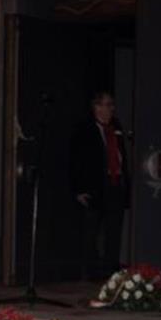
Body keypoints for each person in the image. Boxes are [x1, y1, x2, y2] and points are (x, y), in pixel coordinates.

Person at [70, 91, 131, 280]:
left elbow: (121, 156)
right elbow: (76, 161)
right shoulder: (85, 129)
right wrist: (79, 189)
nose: (110, 109)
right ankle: (89, 273)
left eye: (111, 105)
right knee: (91, 232)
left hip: (115, 184)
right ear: (96, 107)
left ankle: (110, 273)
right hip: (95, 186)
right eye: (106, 105)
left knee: (114, 232)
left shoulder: (116, 127)